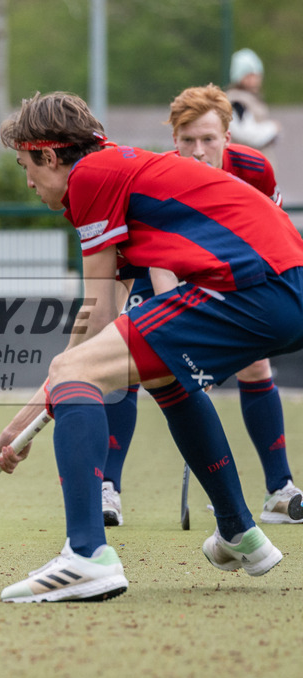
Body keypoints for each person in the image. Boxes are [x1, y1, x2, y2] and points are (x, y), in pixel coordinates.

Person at [0, 91, 303, 603]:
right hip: (287, 290)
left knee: (75, 376)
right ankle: (240, 532)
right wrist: (45, 395)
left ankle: (86, 555)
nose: (28, 180)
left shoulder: (90, 176)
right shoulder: (119, 171)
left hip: (250, 288)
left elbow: (95, 317)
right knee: (159, 375)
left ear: (49, 154)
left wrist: (27, 415)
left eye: (27, 164)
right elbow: (107, 304)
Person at [101, 84, 300, 528]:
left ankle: (279, 490)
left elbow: (272, 241)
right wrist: (185, 337)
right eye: (187, 140)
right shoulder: (163, 175)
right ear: (174, 140)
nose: (198, 151)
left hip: (232, 273)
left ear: (228, 137)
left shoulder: (253, 169)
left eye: (208, 140)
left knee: (256, 364)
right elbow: (162, 266)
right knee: (127, 359)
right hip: (160, 272)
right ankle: (108, 489)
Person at [226, 48, 280, 158]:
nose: (254, 79)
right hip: (246, 164)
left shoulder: (252, 98)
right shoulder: (237, 101)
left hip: (257, 162)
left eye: (256, 74)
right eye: (249, 75)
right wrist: (272, 128)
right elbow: (246, 135)